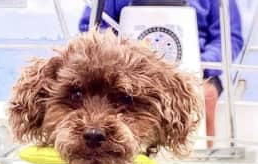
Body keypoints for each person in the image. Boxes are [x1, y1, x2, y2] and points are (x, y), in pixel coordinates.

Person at [79, 0, 244, 148]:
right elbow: (93, 27)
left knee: (206, 93)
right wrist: (117, 57)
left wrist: (202, 64)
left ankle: (201, 151)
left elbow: (229, 38)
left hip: (194, 67)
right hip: (126, 70)